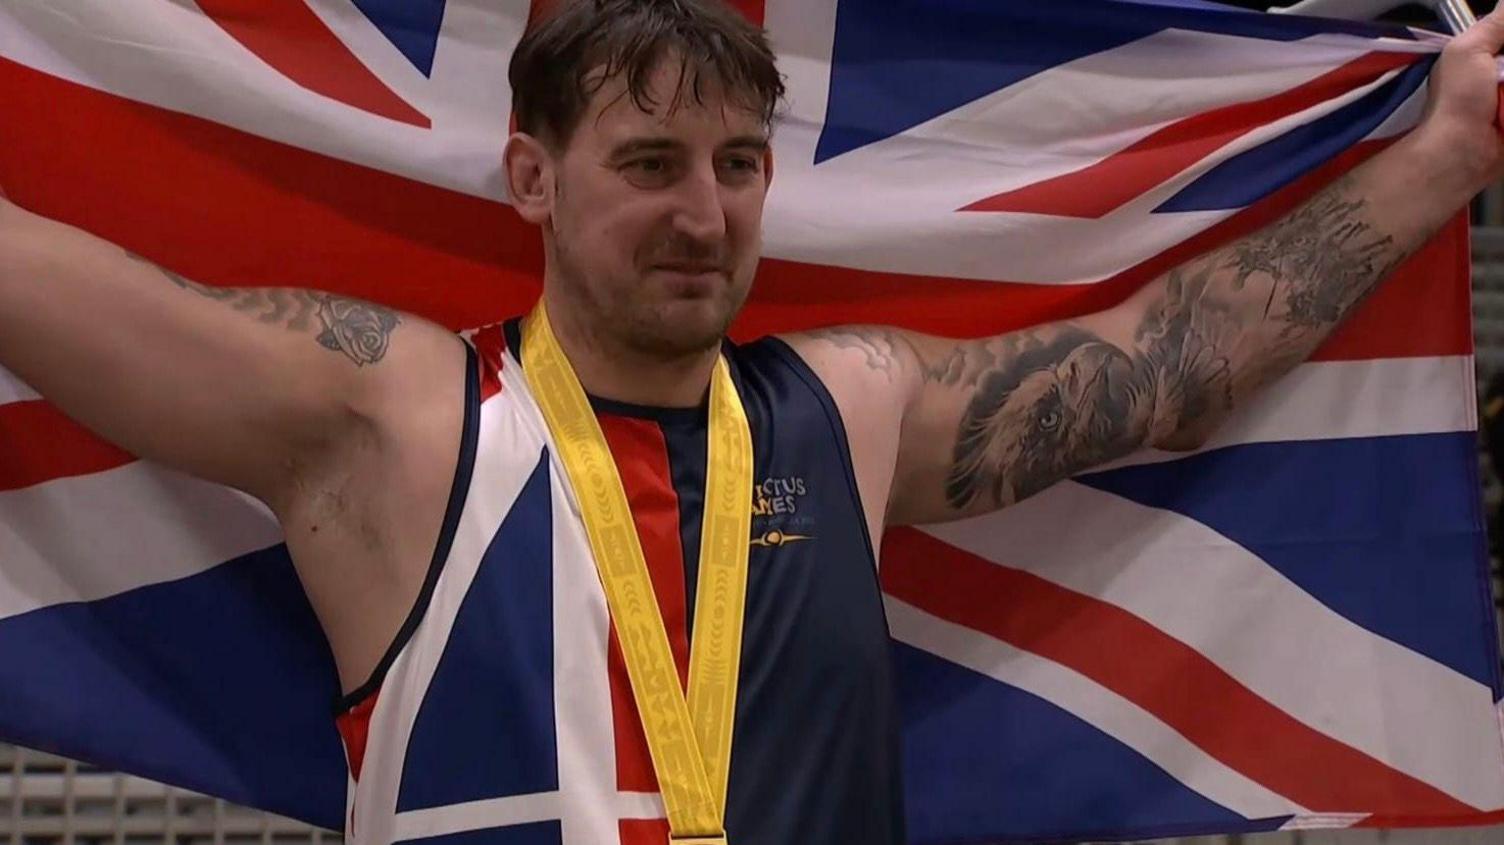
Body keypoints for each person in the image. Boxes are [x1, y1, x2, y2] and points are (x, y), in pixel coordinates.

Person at [1, 0, 1502, 842]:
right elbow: (84, 298)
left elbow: (1163, 365)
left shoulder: (848, 411)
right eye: (650, 162)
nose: (702, 214)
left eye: (736, 164)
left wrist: (1445, 152)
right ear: (532, 178)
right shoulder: (397, 422)